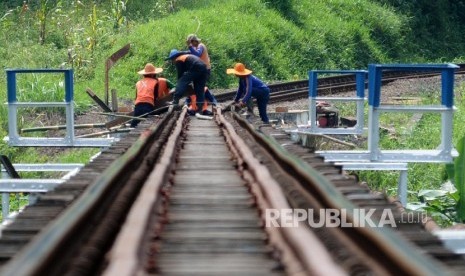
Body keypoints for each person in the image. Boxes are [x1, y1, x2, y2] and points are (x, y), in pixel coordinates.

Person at [131, 63, 174, 127]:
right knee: (147, 124)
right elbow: (155, 96)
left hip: (138, 106)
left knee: (134, 125)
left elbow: (137, 96)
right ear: (152, 74)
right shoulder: (155, 82)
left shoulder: (138, 82)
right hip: (148, 105)